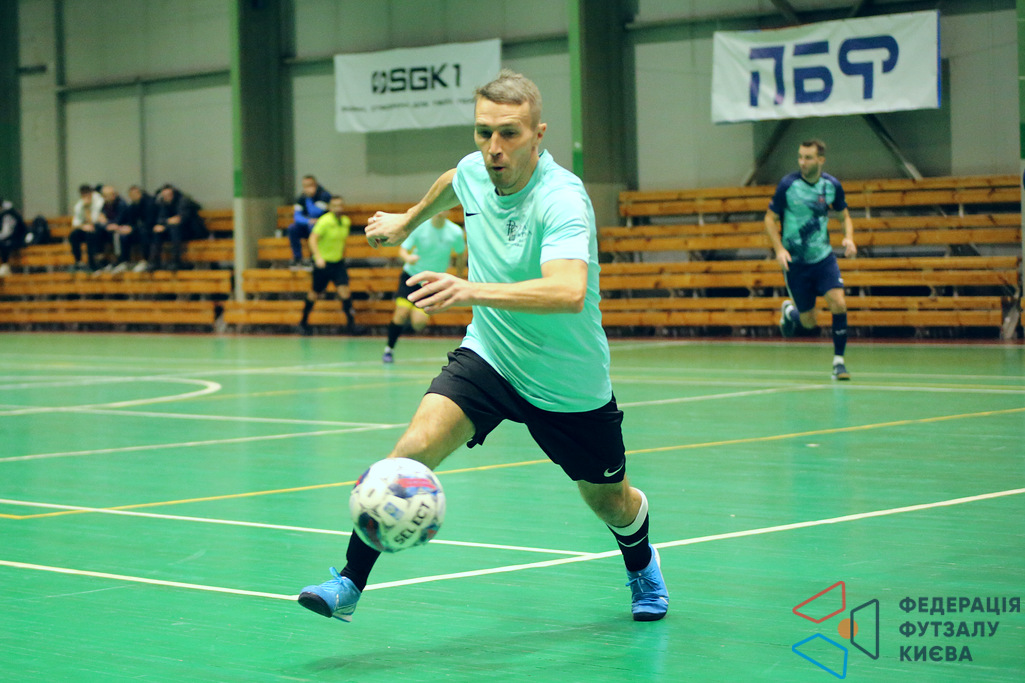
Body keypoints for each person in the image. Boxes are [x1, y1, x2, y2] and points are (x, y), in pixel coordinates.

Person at [297, 69, 669, 624]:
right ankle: (349, 582)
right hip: (490, 355)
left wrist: (469, 290)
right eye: (483, 132)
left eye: (509, 133)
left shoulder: (562, 198)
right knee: (411, 449)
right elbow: (456, 179)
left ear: (538, 134)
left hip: (566, 380)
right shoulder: (475, 169)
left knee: (610, 502)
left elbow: (568, 291)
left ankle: (641, 564)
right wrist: (407, 221)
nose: (494, 147)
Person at [764, 139, 857, 380]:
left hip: (823, 259)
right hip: (796, 263)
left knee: (839, 303)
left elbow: (844, 216)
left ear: (820, 160)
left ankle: (839, 363)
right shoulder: (788, 185)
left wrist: (848, 238)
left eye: (808, 157)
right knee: (808, 322)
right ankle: (790, 312)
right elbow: (769, 219)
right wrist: (779, 249)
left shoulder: (831, 186)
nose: (802, 162)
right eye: (800, 157)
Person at [382, 213, 467, 363]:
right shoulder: (420, 227)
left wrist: (459, 277)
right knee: (401, 314)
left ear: (447, 211)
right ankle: (389, 349)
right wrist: (408, 258)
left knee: (419, 323)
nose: (440, 212)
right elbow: (403, 250)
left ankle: (410, 315)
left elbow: (461, 255)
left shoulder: (455, 232)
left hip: (431, 282)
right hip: (411, 276)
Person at [297, 195, 362, 336]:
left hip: (338, 263)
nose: (338, 208)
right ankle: (303, 322)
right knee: (315, 293)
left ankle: (351, 325)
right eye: (335, 206)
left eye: (340, 205)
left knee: (344, 291)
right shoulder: (324, 221)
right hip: (323, 264)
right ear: (330, 208)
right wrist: (318, 257)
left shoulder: (345, 222)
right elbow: (312, 239)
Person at [151, 184, 207, 272]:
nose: (166, 197)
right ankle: (154, 262)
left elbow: (181, 219)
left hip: (192, 231)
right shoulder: (163, 203)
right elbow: (160, 219)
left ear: (173, 193)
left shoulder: (183, 201)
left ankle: (176, 261)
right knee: (158, 231)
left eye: (168, 195)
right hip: (175, 232)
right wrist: (166, 223)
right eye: (164, 196)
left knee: (174, 229)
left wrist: (166, 224)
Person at [287, 175, 332, 269]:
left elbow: (315, 212)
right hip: (308, 225)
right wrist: (308, 221)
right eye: (305, 186)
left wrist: (309, 198)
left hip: (324, 229)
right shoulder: (301, 197)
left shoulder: (324, 195)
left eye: (310, 185)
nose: (307, 188)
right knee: (292, 228)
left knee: (313, 227)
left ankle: (314, 258)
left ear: (315, 185)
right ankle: (297, 258)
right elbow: (297, 217)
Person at [118, 184, 158, 273]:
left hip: (150, 230)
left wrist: (133, 228)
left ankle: (145, 260)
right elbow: (129, 221)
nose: (133, 196)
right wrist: (127, 227)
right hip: (138, 230)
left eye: (135, 194)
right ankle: (125, 261)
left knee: (143, 232)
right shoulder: (132, 206)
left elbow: (149, 222)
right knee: (123, 235)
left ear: (140, 194)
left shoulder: (149, 203)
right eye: (131, 195)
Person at [68, 184, 106, 272]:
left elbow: (94, 221)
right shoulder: (79, 205)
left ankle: (92, 263)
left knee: (90, 234)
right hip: (86, 228)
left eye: (87, 194)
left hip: (99, 229)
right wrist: (83, 226)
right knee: (73, 235)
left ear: (91, 193)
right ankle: (78, 262)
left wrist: (86, 208)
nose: (86, 197)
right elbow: (75, 224)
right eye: (83, 195)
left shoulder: (99, 201)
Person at [98, 185, 130, 273]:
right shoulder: (106, 204)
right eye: (105, 196)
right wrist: (107, 224)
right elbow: (101, 219)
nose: (105, 198)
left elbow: (118, 221)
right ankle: (102, 260)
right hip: (111, 229)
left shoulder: (121, 204)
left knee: (117, 235)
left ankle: (121, 261)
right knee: (97, 231)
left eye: (109, 195)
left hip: (123, 228)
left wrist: (106, 222)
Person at [0, 196, 27, 277]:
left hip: (17, 239)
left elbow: (7, 233)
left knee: (3, 244)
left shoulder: (8, 214)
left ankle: (5, 266)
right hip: (10, 238)